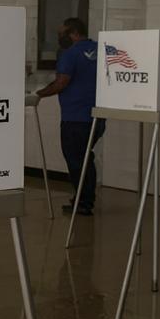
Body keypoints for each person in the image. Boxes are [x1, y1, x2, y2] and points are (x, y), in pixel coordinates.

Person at [36, 18, 105, 215]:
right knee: (85, 158)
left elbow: (61, 82)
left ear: (73, 33)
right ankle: (85, 198)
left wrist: (38, 94)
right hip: (98, 116)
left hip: (75, 118)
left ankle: (83, 202)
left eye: (62, 34)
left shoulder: (70, 54)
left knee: (76, 160)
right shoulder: (100, 49)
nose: (60, 38)